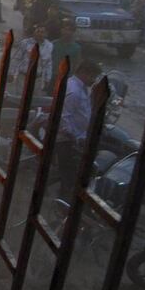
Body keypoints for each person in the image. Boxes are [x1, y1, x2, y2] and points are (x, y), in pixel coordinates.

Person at [55, 60, 102, 200]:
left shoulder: (78, 87)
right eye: (92, 76)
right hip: (69, 138)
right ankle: (64, 199)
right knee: (68, 172)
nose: (93, 81)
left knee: (71, 170)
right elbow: (64, 115)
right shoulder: (74, 90)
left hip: (77, 135)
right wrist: (73, 136)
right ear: (84, 73)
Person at [9, 24, 53, 93]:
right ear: (34, 32)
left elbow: (48, 64)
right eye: (38, 31)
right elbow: (16, 58)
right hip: (23, 77)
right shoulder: (25, 43)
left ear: (46, 34)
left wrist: (48, 79)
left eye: (42, 32)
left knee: (33, 100)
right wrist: (11, 73)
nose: (40, 34)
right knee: (20, 97)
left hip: (37, 79)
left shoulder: (49, 46)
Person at [49, 19, 82, 93]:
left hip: (67, 78)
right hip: (53, 76)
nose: (67, 32)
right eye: (65, 29)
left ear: (73, 32)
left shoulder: (76, 48)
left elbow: (77, 64)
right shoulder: (53, 44)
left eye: (70, 30)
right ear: (61, 30)